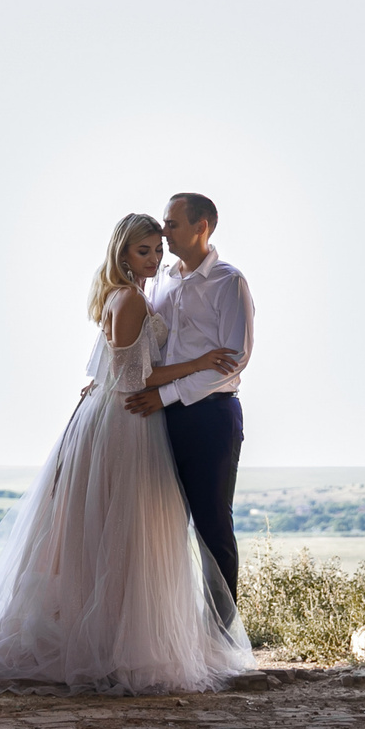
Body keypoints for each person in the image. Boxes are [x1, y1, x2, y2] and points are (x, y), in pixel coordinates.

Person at [0, 212, 255, 693]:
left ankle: (110, 638)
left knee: (110, 530)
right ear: (122, 253)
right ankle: (116, 644)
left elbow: (117, 365)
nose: (155, 256)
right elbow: (133, 377)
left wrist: (108, 382)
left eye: (158, 248)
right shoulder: (133, 296)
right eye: (145, 250)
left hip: (124, 413)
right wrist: (196, 362)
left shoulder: (144, 291)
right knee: (123, 531)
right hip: (129, 419)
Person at [122, 192, 254, 597]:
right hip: (157, 417)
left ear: (202, 228)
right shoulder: (159, 281)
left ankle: (221, 638)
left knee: (212, 525)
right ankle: (177, 640)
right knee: (162, 529)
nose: (164, 231)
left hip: (210, 417)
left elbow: (235, 358)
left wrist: (167, 395)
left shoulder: (228, 282)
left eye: (172, 223)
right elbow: (140, 346)